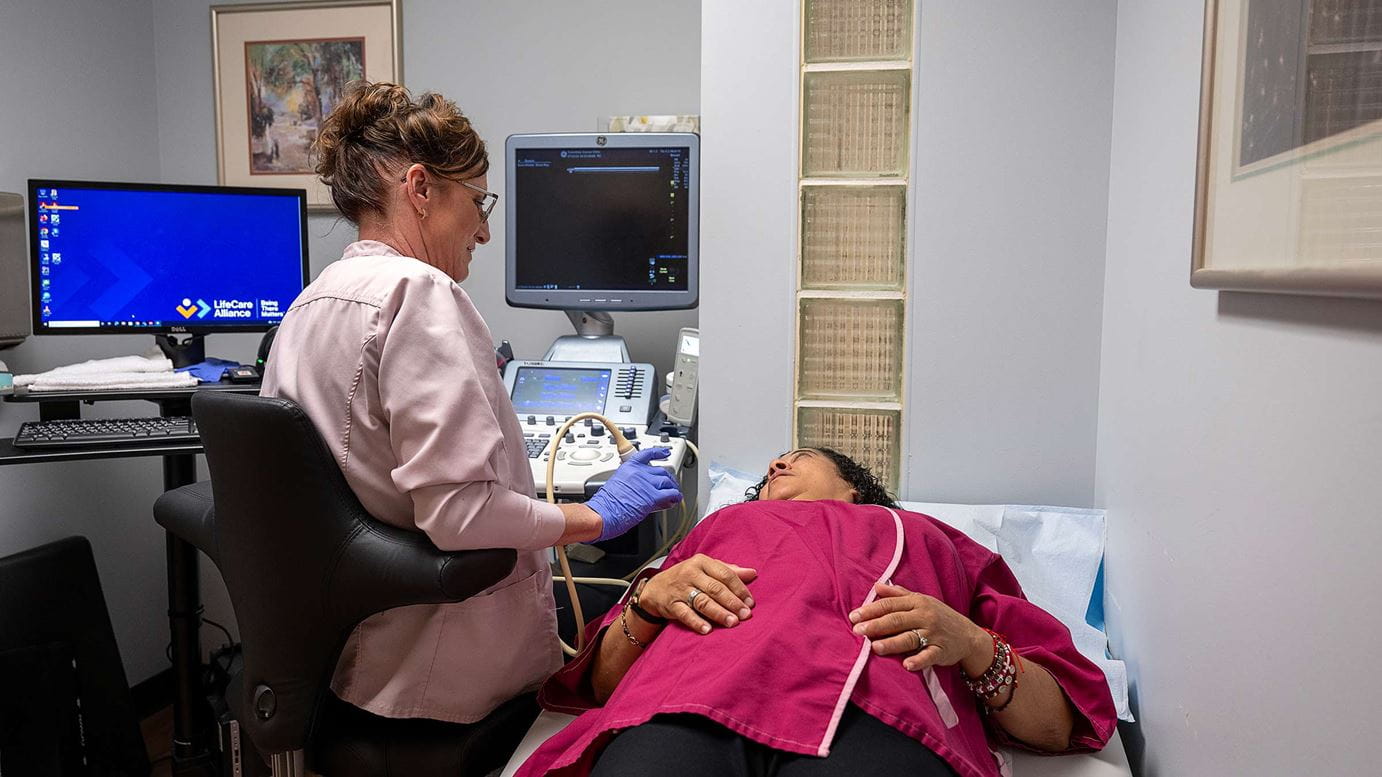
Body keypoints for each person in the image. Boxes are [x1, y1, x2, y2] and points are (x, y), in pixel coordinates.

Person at [260, 82, 682, 730]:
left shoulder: (311, 302)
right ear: (421, 189)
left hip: (350, 664)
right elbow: (460, 515)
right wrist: (593, 516)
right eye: (477, 199)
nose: (485, 228)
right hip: (447, 678)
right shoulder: (419, 293)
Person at [516, 449, 1117, 777]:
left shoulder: (929, 537)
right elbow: (600, 684)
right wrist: (648, 601)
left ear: (854, 488)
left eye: (795, 458)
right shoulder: (719, 528)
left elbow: (1059, 721)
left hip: (881, 707)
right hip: (686, 697)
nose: (775, 467)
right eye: (769, 467)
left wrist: (975, 643)